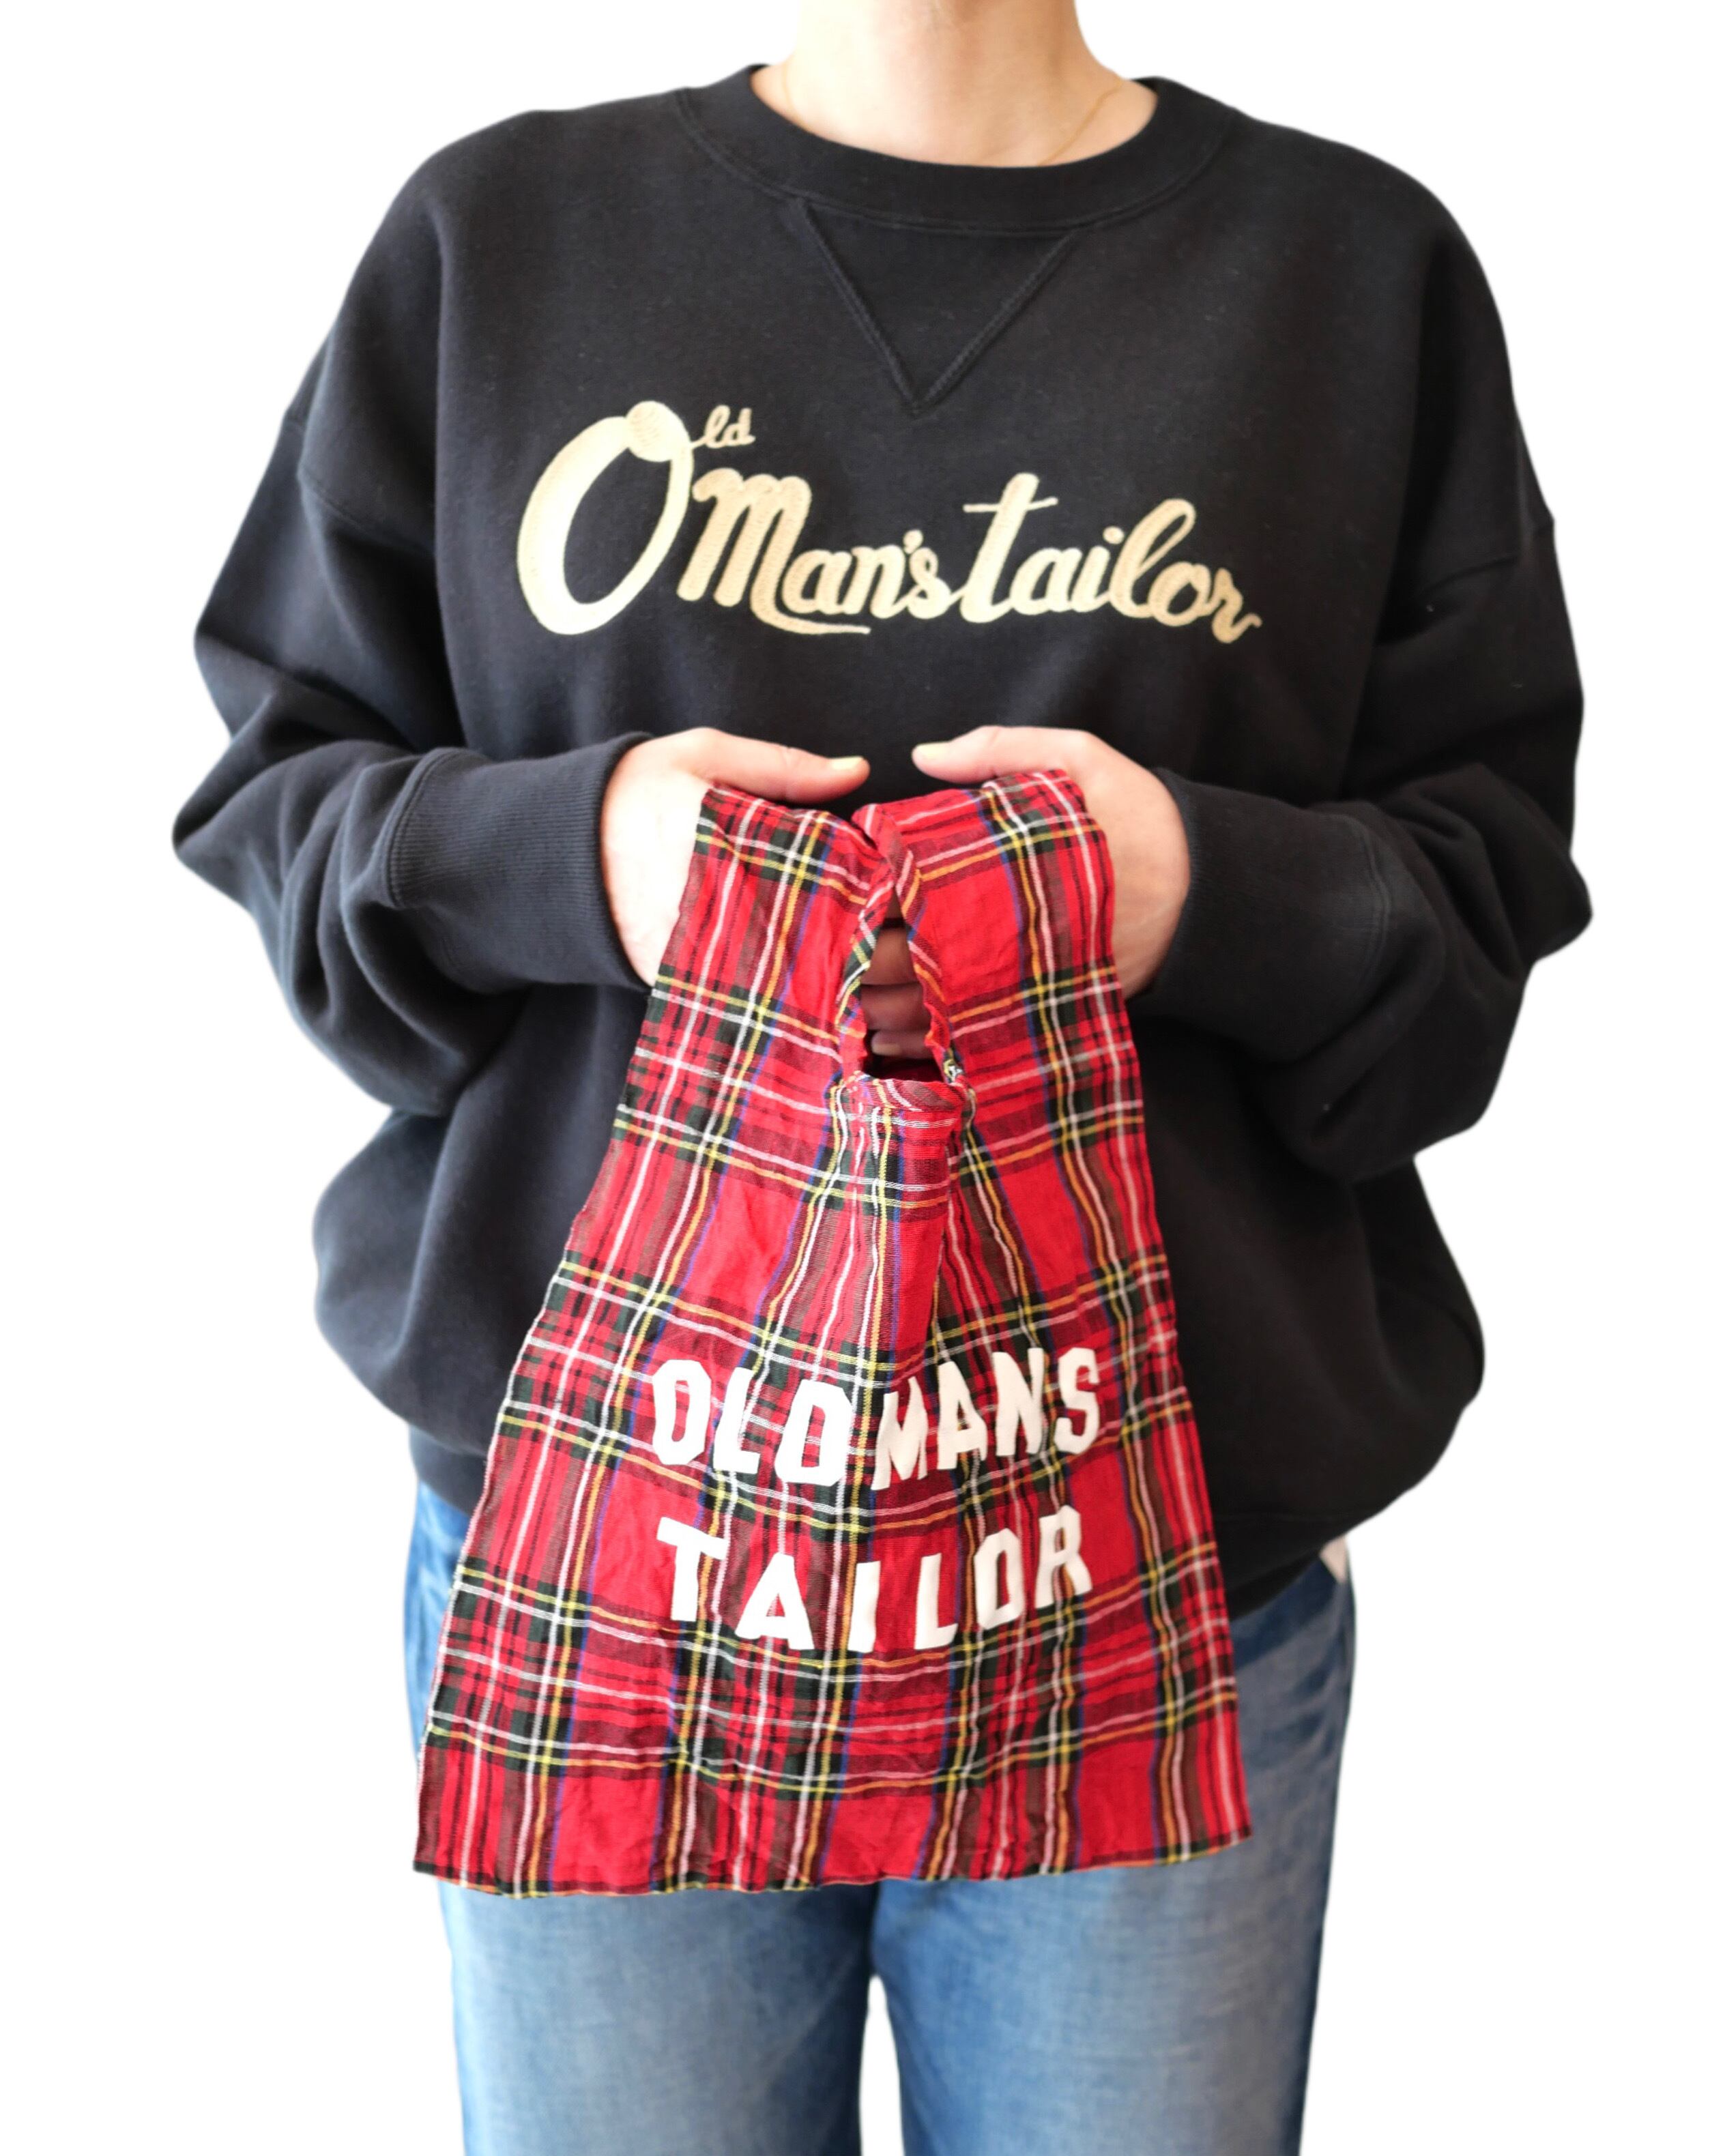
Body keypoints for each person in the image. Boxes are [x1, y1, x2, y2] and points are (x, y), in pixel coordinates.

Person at [175, 2, 1589, 2149]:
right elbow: (286, 804)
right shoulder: (502, 238)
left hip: (1153, 1570)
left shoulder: (1349, 271)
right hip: (615, 1563)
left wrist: (1195, 888)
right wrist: (584, 854)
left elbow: (1478, 906)